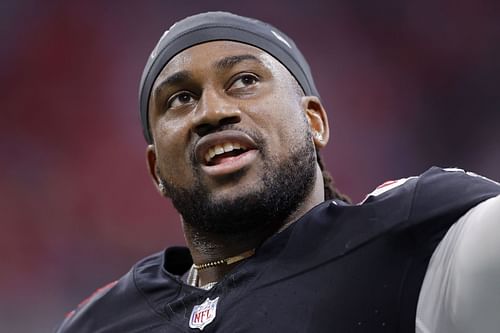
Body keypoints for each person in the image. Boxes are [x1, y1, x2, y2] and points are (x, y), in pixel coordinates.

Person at [55, 12, 500, 333]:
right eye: (180, 100)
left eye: (245, 81)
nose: (211, 111)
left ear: (314, 122)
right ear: (156, 170)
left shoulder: (412, 235)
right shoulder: (98, 322)